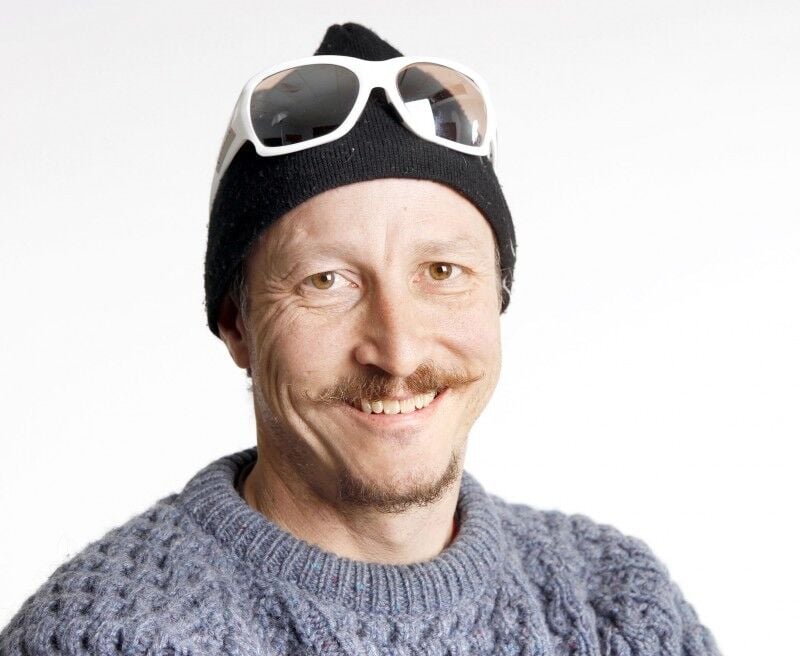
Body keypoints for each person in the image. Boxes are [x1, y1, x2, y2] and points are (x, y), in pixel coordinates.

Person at [0, 22, 722, 656]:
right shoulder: (110, 636)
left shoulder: (616, 606)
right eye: (326, 281)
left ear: (497, 296)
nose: (398, 352)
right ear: (236, 323)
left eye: (442, 272)